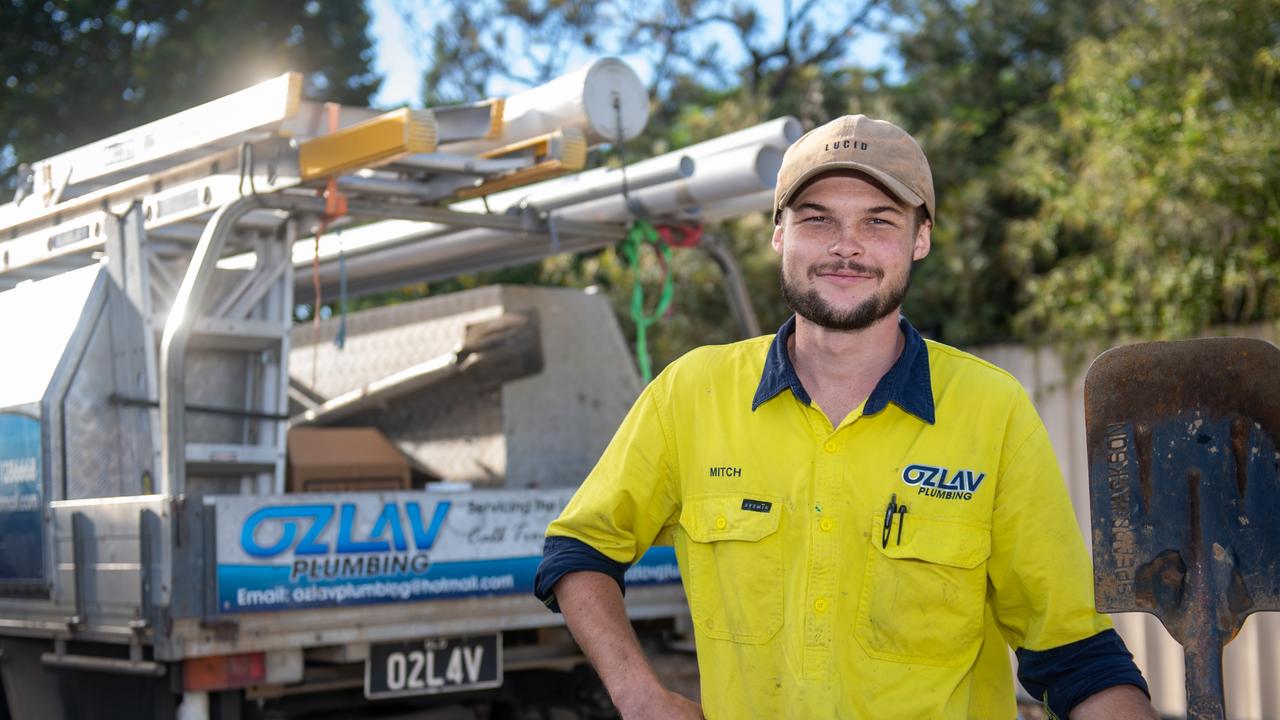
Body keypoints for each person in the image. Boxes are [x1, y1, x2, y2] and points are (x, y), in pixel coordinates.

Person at [534, 115, 1157, 719]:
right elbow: (578, 548)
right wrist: (641, 697)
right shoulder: (692, 393)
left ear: (921, 238)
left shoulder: (991, 411)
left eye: (879, 221)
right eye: (817, 219)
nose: (845, 245)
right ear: (779, 234)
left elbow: (1072, 652)